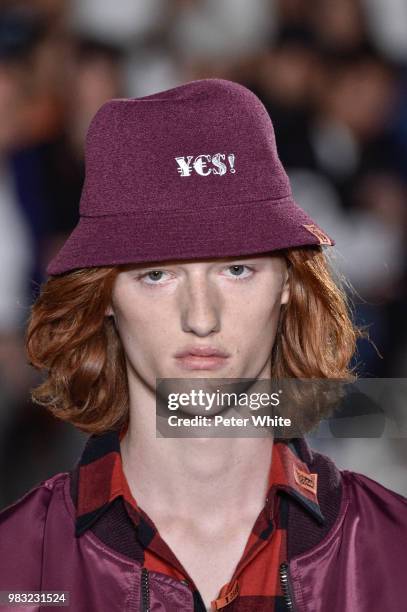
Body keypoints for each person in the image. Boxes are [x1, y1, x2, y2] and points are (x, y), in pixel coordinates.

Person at [0, 79, 406, 612]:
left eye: (236, 269)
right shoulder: (16, 570)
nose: (201, 317)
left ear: (287, 283)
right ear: (103, 296)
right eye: (156, 275)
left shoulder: (392, 555)